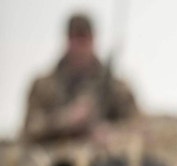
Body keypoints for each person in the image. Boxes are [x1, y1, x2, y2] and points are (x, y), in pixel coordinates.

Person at [23, 14, 140, 143]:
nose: (80, 47)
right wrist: (67, 119)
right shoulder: (44, 86)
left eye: (84, 40)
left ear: (93, 40)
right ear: (67, 40)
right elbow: (29, 128)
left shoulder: (115, 87)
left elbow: (137, 124)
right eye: (75, 39)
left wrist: (111, 132)